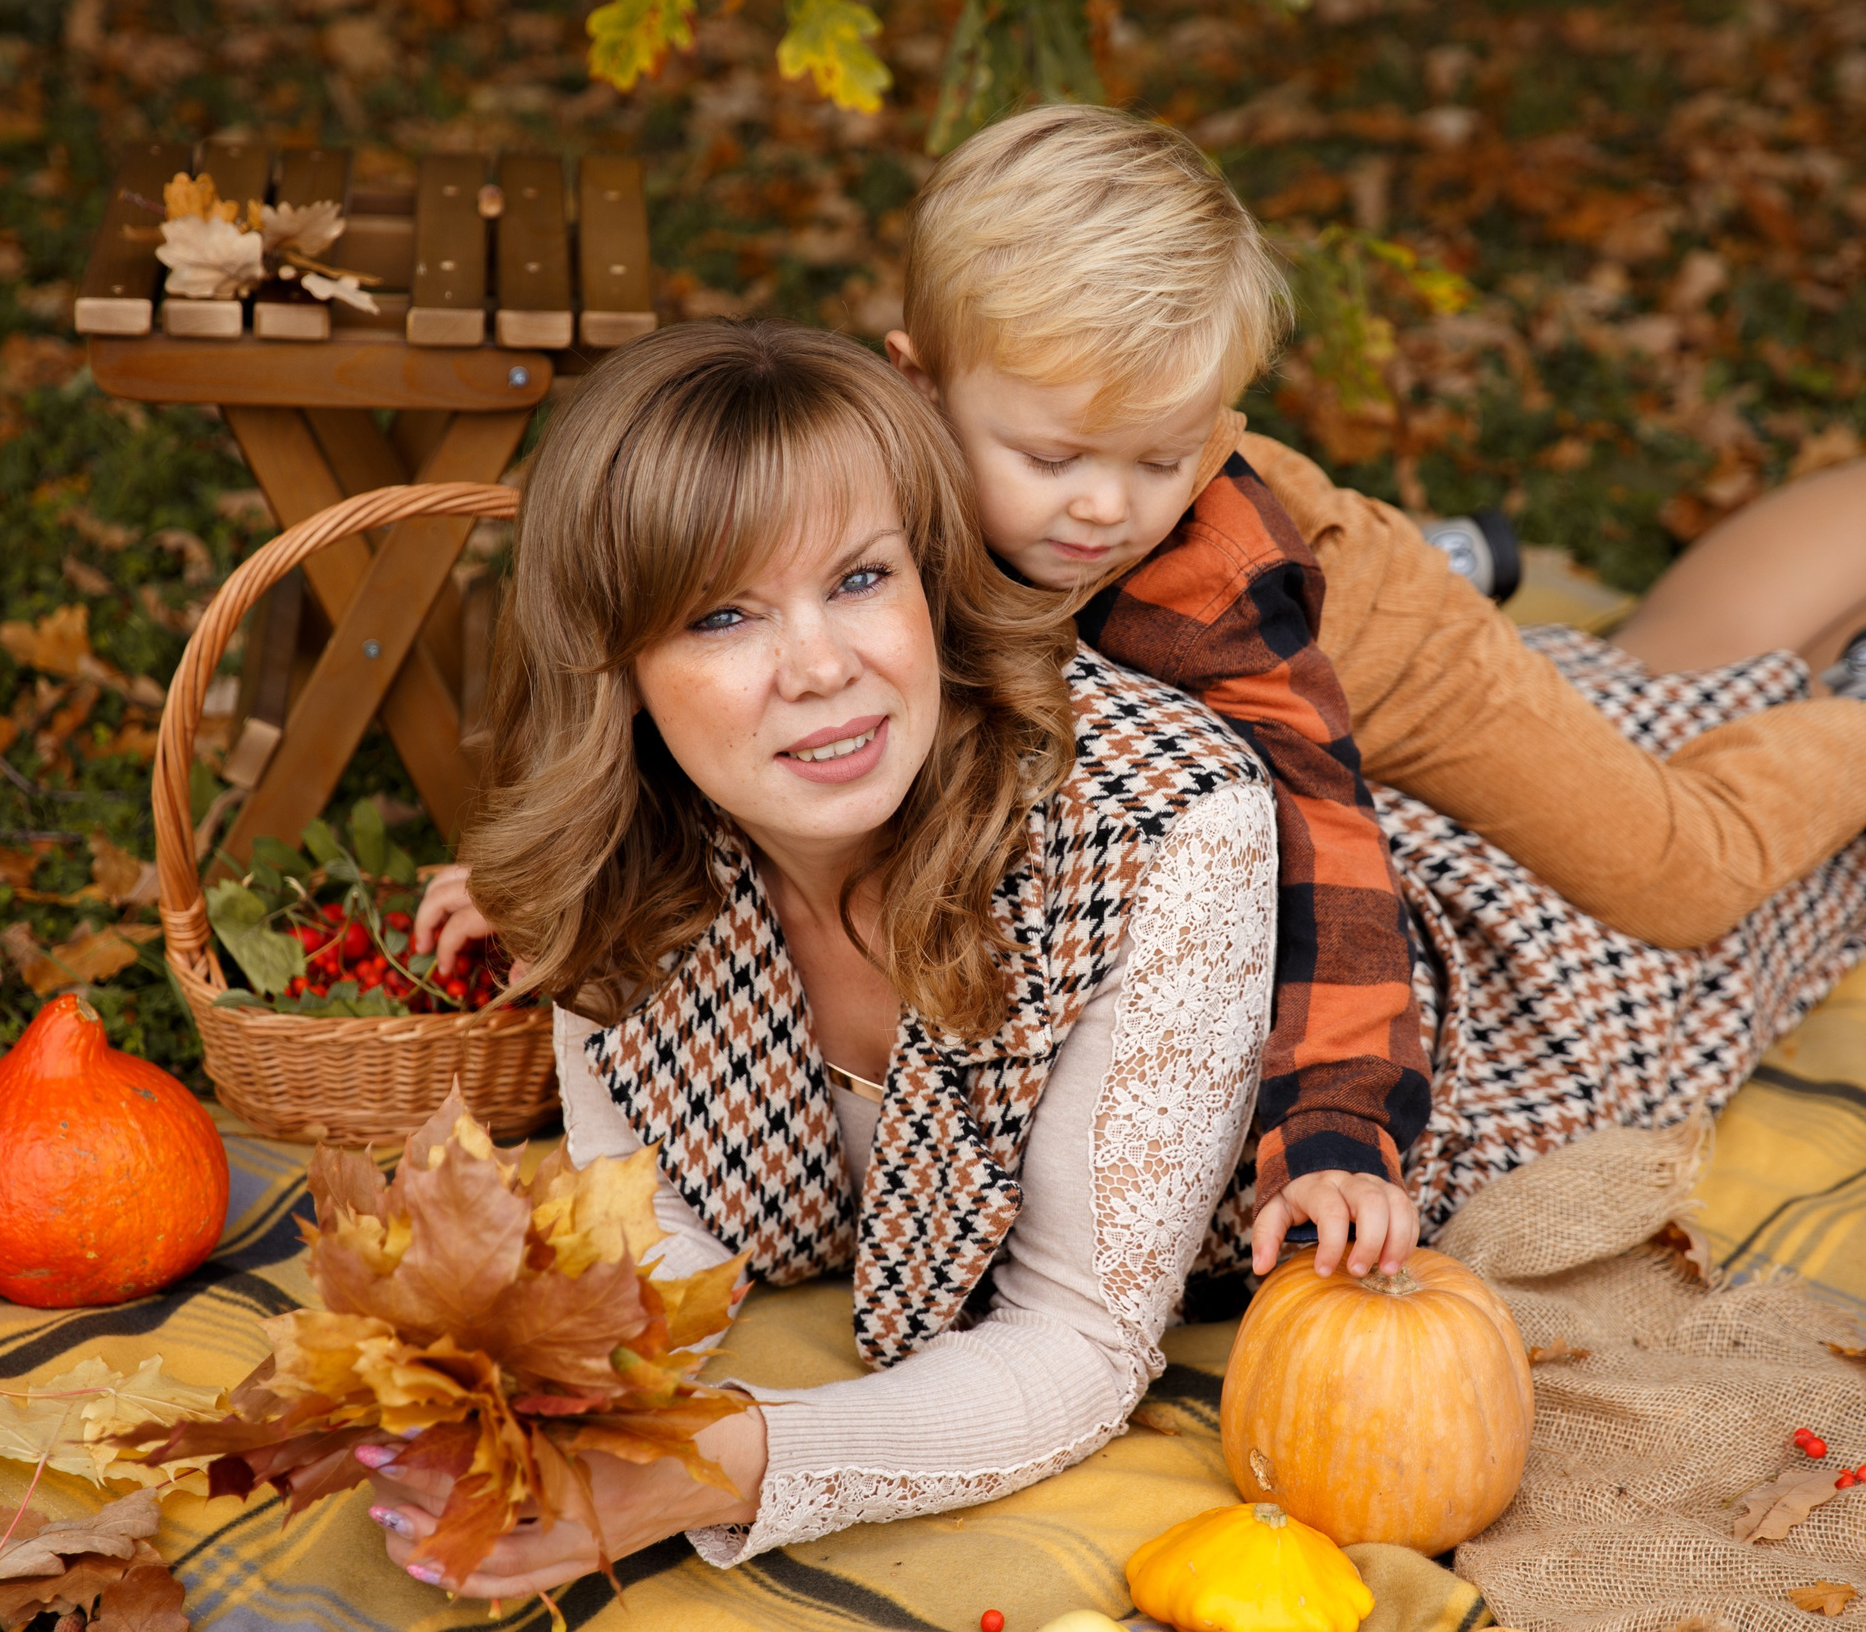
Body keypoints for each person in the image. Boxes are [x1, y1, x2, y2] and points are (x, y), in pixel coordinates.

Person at [879, 102, 1866, 1279]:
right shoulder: (873, 452)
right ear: (917, 385)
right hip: (1262, 609)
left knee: (1679, 861)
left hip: (1355, 642)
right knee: (1681, 658)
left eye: (1164, 455)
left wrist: (1340, 1124)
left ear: (1218, 422)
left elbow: (1324, 852)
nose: (1105, 504)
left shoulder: (1206, 571)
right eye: (1058, 454)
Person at [385, 318, 1283, 1594]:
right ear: (619, 670)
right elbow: (668, 1226)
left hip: (1511, 999)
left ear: (928, 579)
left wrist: (708, 1463)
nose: (821, 668)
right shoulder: (634, 858)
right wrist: (547, 1399)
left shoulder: (1165, 832)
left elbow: (1079, 1338)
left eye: (861, 579)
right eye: (723, 615)